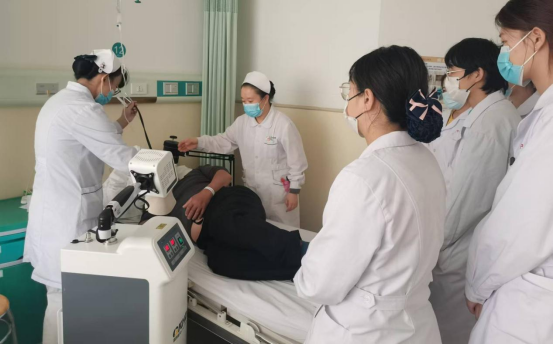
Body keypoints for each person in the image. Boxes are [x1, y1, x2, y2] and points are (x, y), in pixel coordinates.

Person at [294, 46, 446, 344]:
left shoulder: (364, 178)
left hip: (366, 331)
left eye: (349, 92)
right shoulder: (426, 160)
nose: (347, 104)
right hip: (417, 326)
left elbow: (318, 284)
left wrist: (304, 273)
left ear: (367, 98)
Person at [23, 50, 139, 344]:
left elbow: (93, 138)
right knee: (63, 302)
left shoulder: (62, 102)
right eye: (114, 86)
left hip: (56, 211)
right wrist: (158, 163)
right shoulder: (82, 110)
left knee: (65, 299)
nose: (113, 92)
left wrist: (123, 121)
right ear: (103, 78)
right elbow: (121, 156)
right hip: (66, 218)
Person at [466, 0, 553, 344]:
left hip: (530, 301)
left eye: (506, 41)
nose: (505, 53)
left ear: (536, 38)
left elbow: (519, 224)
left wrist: (477, 284)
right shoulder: (540, 115)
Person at [428, 39, 521, 344]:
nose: (448, 80)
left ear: (477, 74)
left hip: (457, 250)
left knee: (448, 332)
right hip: (451, 244)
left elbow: (466, 200)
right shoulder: (475, 114)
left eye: (452, 72)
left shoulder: (491, 121)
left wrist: (432, 244)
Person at [178, 71, 308, 227]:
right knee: (255, 230)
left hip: (279, 194)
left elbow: (297, 162)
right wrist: (198, 142)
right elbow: (223, 141)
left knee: (284, 232)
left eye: (250, 100)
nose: (246, 105)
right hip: (253, 191)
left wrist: (294, 191)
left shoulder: (283, 125)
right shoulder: (242, 123)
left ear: (265, 98)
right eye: (243, 101)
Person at [137, 165, 307, 281]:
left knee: (225, 223)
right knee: (220, 263)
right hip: (210, 237)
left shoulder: (193, 174)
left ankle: (305, 251)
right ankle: (300, 271)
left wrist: (206, 193)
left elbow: (225, 176)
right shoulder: (152, 209)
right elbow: (145, 236)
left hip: (229, 201)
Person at [429, 75, 471, 187]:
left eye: (450, 89)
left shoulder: (471, 121)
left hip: (449, 186)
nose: (447, 93)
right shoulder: (442, 115)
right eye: (444, 90)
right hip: (428, 178)